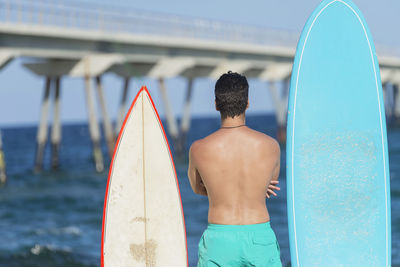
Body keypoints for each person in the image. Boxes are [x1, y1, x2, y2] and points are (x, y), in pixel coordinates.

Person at [188, 71, 282, 266]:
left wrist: (220, 190)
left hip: (219, 240)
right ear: (247, 103)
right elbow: (268, 187)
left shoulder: (198, 149)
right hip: (259, 238)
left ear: (216, 104)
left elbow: (197, 188)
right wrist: (255, 189)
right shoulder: (271, 145)